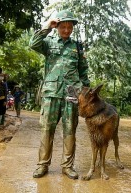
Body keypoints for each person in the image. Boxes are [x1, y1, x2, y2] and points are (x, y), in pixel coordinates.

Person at [29, 9, 90, 179]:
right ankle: (42, 165)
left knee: (70, 130)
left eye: (70, 27)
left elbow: (83, 71)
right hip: (51, 93)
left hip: (72, 94)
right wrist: (47, 26)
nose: (66, 30)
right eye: (63, 26)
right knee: (47, 130)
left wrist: (84, 92)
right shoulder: (48, 42)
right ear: (58, 26)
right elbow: (32, 43)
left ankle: (67, 166)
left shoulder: (77, 47)